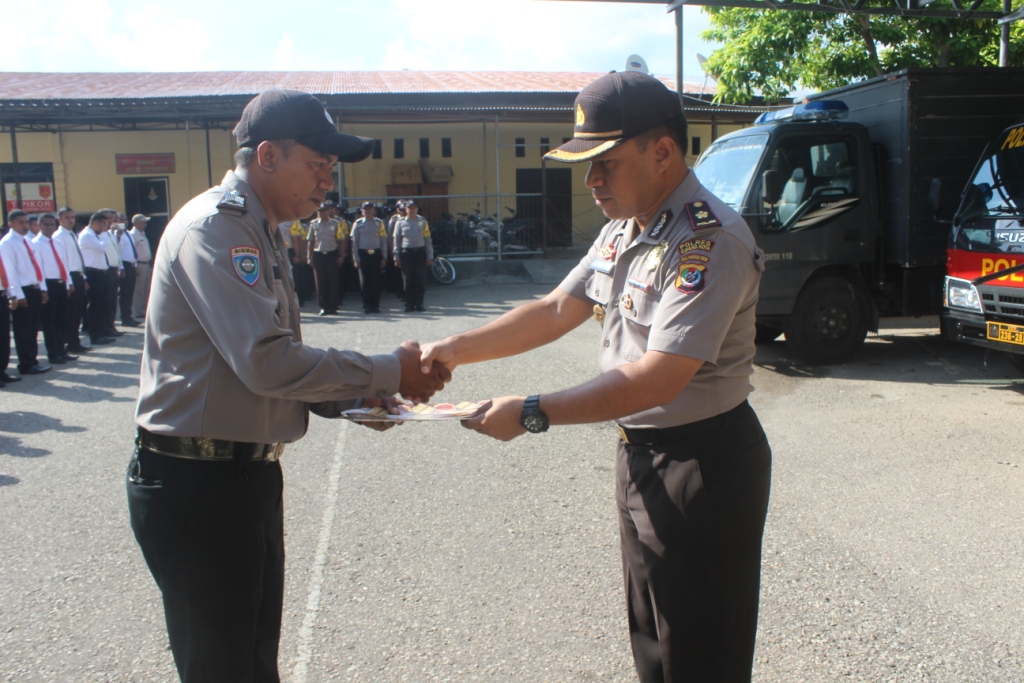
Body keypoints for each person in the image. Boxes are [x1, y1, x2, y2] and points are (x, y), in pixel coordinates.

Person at [420, 71, 772, 683]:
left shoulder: (707, 240)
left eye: (604, 161)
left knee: (701, 655)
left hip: (702, 465)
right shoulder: (624, 228)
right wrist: (452, 349)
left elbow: (659, 378)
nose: (590, 180)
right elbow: (558, 309)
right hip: (641, 454)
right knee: (655, 642)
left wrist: (532, 412)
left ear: (663, 152)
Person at [126, 88, 449, 683]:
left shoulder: (261, 228)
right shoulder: (217, 230)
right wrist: (386, 370)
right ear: (268, 156)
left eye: (330, 169)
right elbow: (267, 363)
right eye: (318, 165)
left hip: (239, 476)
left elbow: (269, 369)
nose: (328, 181)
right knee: (222, 667)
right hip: (199, 485)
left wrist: (355, 398)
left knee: (251, 662)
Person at [0, 209, 51, 375]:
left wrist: (42, 288)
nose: (25, 225)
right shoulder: (7, 243)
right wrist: (17, 295)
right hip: (22, 291)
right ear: (10, 224)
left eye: (26, 222)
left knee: (33, 329)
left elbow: (37, 267)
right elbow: (10, 271)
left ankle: (32, 360)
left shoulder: (28, 241)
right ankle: (26, 363)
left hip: (33, 287)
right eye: (20, 222)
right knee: (23, 330)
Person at [32, 213, 76, 365]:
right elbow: (39, 269)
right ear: (39, 226)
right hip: (48, 284)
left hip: (60, 283)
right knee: (49, 321)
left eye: (52, 224)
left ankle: (62, 350)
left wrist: (68, 282)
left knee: (62, 319)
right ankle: (53, 353)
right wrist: (43, 289)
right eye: (46, 224)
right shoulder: (36, 244)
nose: (49, 227)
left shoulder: (56, 242)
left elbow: (64, 264)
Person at [54, 206, 90, 354]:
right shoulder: (59, 236)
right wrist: (69, 281)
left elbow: (77, 258)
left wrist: (84, 277)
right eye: (67, 217)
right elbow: (63, 262)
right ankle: (70, 342)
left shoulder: (72, 234)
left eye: (72, 217)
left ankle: (75, 341)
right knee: (70, 312)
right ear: (60, 219)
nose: (71, 220)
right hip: (69, 276)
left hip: (78, 275)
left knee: (78, 311)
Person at [78, 212, 115, 345]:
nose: (105, 227)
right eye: (103, 224)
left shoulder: (94, 235)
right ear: (96, 223)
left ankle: (101, 333)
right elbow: (102, 248)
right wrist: (105, 233)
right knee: (95, 306)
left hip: (100, 273)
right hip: (92, 274)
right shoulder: (87, 235)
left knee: (101, 306)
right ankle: (95, 335)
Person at [393, 200, 432, 312]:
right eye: (410, 207)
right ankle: (409, 304)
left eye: (414, 207)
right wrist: (396, 256)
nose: (412, 209)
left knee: (420, 280)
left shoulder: (423, 221)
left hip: (420, 253)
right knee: (408, 280)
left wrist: (430, 255)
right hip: (407, 254)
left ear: (417, 209)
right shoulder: (400, 223)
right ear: (406, 209)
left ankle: (419, 303)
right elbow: (397, 240)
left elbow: (427, 239)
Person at [305, 200, 343, 315]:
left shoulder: (335, 223)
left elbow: (341, 240)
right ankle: (323, 307)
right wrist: (309, 256)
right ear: (317, 212)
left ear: (328, 211)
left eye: (325, 210)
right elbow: (310, 241)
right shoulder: (313, 224)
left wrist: (341, 255)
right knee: (320, 282)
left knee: (332, 281)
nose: (323, 212)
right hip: (318, 255)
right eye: (320, 211)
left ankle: (333, 306)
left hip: (332, 254)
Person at [350, 201, 387, 314]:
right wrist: (356, 259)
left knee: (375, 281)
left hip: (376, 254)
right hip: (363, 254)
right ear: (362, 211)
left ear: (374, 211)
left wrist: (384, 257)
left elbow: (383, 241)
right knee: (365, 281)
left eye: (370, 209)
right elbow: (354, 243)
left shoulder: (379, 223)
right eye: (366, 209)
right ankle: (367, 305)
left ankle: (375, 305)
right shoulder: (358, 223)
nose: (368, 211)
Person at [0, 235, 23, 386]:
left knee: (3, 337)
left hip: (2, 294)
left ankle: (2, 371)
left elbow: (4, 273)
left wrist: (11, 294)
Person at [117, 217, 141, 326]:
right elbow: (119, 252)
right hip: (124, 264)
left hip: (131, 264)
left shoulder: (129, 234)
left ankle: (129, 316)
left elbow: (132, 250)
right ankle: (125, 317)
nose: (124, 222)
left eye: (125, 219)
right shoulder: (118, 235)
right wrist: (121, 268)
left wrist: (135, 265)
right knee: (125, 293)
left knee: (130, 293)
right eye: (121, 220)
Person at [129, 214, 152, 320]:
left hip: (146, 264)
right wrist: (135, 266)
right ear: (137, 223)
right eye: (143, 222)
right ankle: (138, 311)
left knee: (146, 289)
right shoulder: (133, 235)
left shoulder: (142, 233)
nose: (145, 224)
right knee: (139, 290)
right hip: (139, 264)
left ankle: (144, 310)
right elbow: (131, 252)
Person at [385, 200, 407, 298]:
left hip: (407, 248)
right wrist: (391, 249)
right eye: (399, 208)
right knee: (397, 272)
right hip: (397, 247)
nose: (401, 210)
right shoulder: (394, 219)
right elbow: (390, 236)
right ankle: (399, 291)